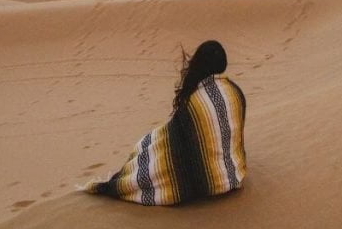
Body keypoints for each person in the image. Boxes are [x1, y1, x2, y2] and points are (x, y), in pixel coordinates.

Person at [84, 40, 247, 206]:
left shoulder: (195, 102)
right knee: (155, 142)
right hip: (234, 177)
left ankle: (124, 181)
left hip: (210, 188)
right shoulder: (236, 92)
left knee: (150, 147)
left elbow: (176, 145)